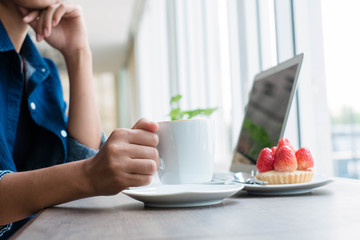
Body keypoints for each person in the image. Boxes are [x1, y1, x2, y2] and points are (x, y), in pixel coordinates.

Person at [0, 0, 160, 238]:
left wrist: (79, 54)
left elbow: (79, 158)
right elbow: (84, 172)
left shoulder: (43, 72)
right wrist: (89, 174)